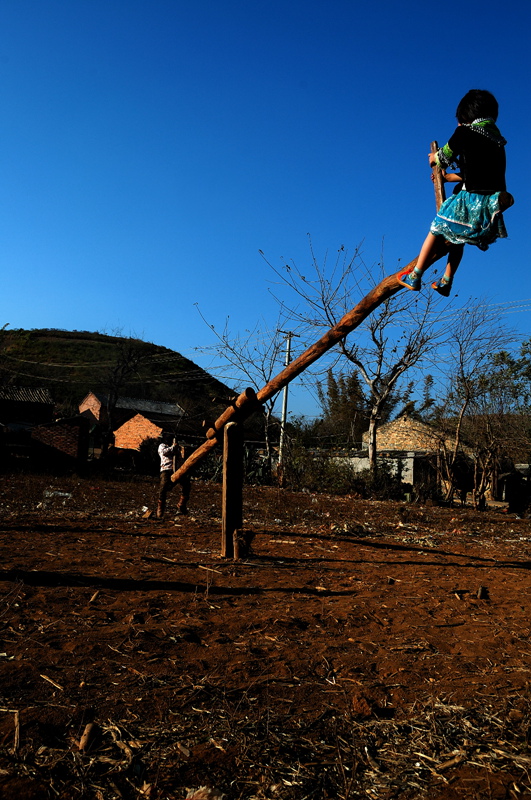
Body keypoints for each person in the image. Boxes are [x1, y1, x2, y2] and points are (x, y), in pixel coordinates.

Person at [397, 89, 513, 297]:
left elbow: (444, 155)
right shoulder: (498, 142)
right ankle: (446, 280)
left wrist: (434, 158)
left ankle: (415, 275)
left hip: (469, 201)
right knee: (457, 239)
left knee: (436, 228)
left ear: (466, 115)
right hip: (490, 207)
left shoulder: (465, 132)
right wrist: (449, 177)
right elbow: (478, 173)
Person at [156, 433, 191, 519]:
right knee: (163, 488)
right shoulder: (162, 446)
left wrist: (180, 450)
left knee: (186, 484)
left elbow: (181, 457)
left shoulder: (176, 447)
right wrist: (173, 448)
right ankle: (160, 507)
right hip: (166, 469)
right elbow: (164, 453)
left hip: (177, 469)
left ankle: (181, 504)